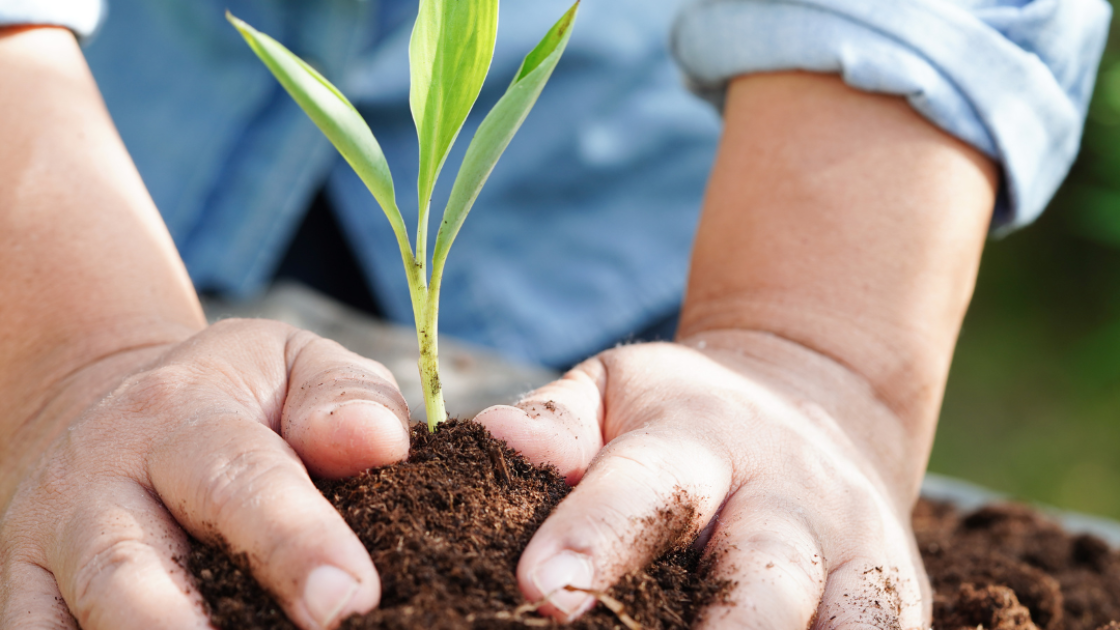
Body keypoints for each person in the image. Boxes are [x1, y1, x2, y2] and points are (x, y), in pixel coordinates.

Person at [0, 0, 1110, 629]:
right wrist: (72, 355)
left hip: (694, 196)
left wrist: (811, 355)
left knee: (691, 498)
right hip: (79, 181)